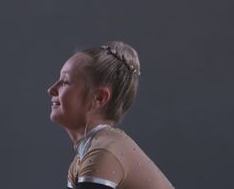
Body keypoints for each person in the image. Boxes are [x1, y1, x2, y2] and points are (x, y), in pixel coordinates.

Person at [48, 41, 174, 189]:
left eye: (65, 82)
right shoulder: (85, 155)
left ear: (99, 98)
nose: (51, 89)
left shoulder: (104, 151)